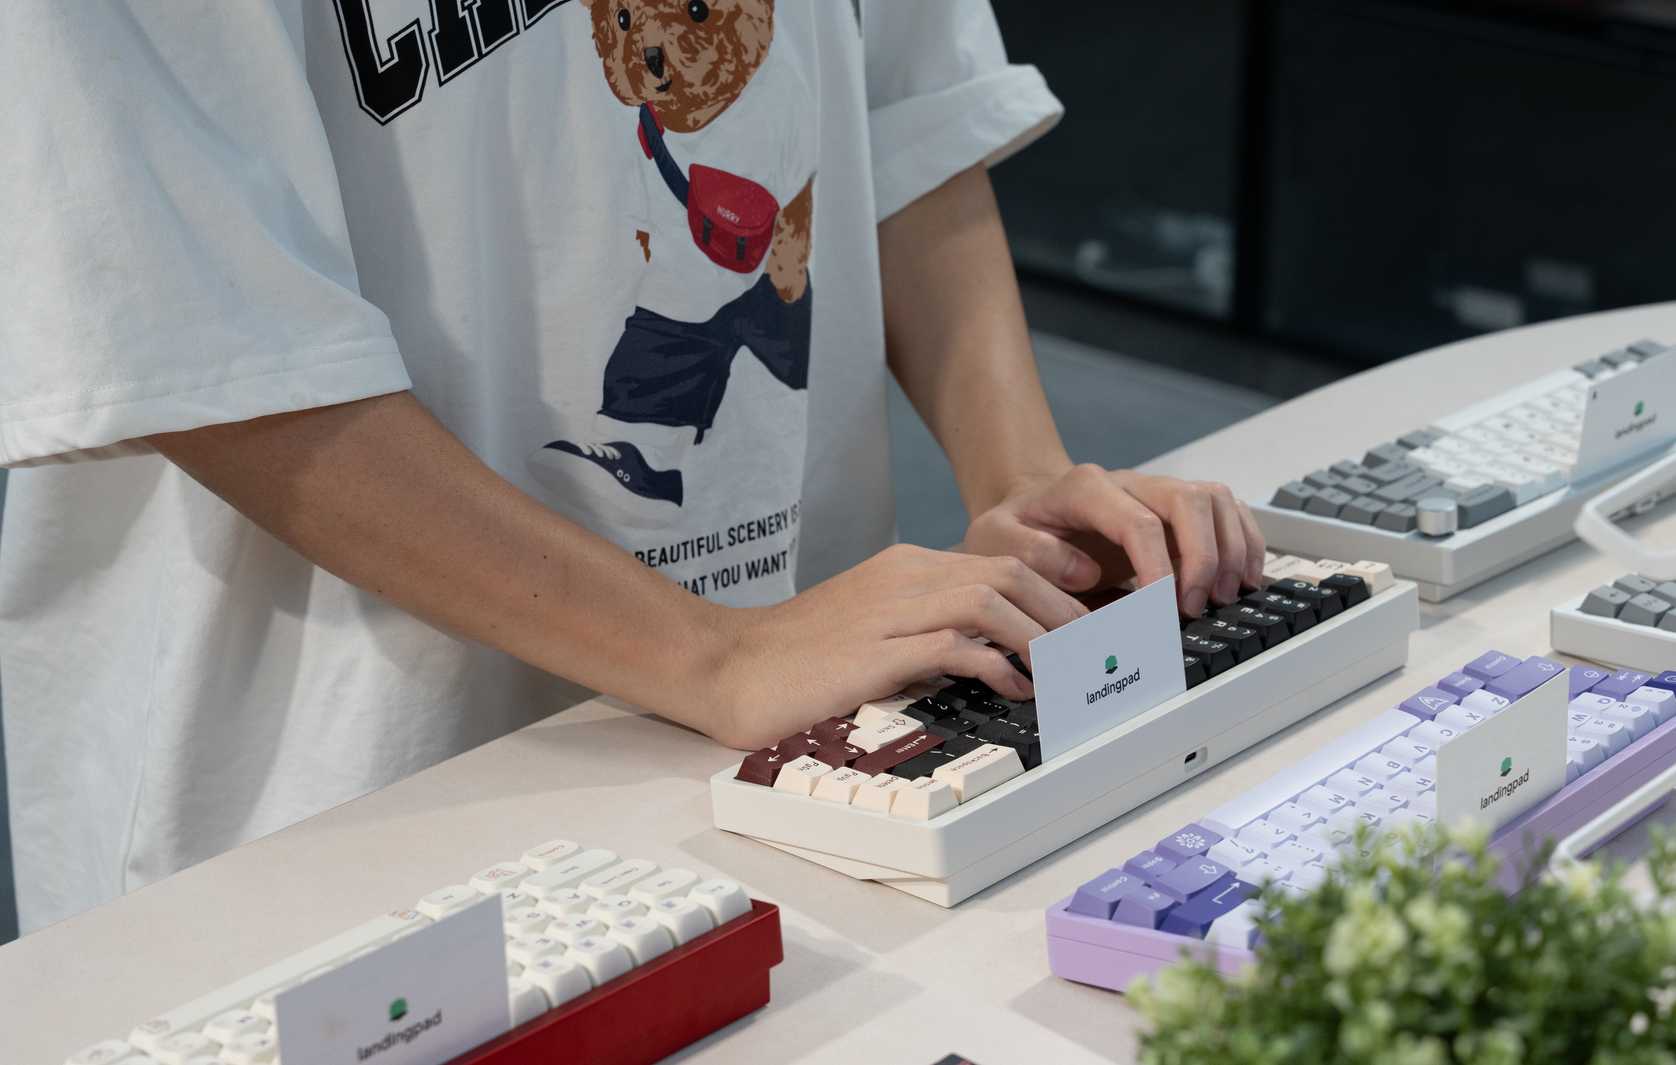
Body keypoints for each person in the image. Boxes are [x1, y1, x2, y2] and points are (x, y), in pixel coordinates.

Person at [0, 0, 1263, 933]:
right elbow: (201, 336)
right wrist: (711, 654)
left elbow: (899, 110)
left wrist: (1018, 480)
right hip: (353, 794)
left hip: (811, 722)